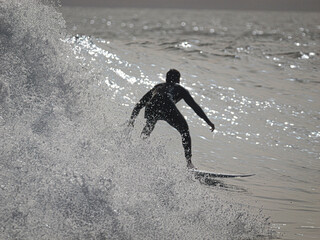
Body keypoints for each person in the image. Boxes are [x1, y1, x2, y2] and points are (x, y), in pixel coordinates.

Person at [128, 69, 215, 169]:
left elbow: (140, 104)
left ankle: (137, 152)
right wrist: (208, 122)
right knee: (184, 131)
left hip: (151, 106)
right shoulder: (180, 89)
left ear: (166, 79)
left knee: (149, 126)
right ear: (178, 80)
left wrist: (131, 120)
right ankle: (189, 163)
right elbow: (195, 107)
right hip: (167, 104)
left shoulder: (157, 87)